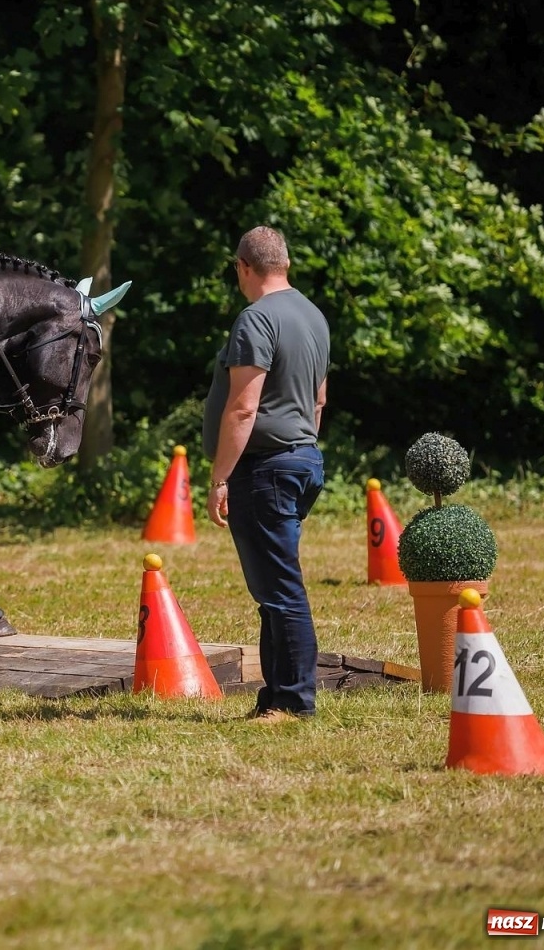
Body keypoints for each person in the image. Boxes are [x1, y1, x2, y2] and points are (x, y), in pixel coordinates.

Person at [202, 225, 330, 723]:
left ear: (243, 267)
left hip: (265, 469)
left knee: (281, 591)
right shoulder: (312, 315)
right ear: (286, 264)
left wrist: (220, 478)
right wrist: (300, 446)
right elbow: (318, 400)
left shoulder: (256, 319)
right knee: (274, 589)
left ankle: (294, 701)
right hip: (302, 460)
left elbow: (242, 408)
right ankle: (275, 695)